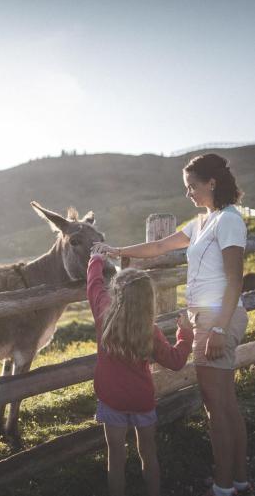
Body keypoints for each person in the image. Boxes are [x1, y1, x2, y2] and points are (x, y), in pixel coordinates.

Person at [92, 153, 251, 496]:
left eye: (193, 186)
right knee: (225, 403)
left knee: (215, 405)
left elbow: (234, 279)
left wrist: (220, 328)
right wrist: (116, 250)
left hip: (217, 317)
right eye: (186, 187)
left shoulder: (229, 221)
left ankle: (223, 487)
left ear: (212, 183)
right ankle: (238, 479)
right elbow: (161, 245)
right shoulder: (201, 223)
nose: (189, 193)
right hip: (208, 317)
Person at [87, 252, 193, 496]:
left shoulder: (104, 313)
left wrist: (96, 259)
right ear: (148, 301)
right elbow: (176, 362)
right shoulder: (150, 331)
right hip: (141, 401)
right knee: (148, 452)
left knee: (115, 458)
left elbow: (93, 285)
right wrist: (185, 335)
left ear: (117, 293)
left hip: (111, 399)